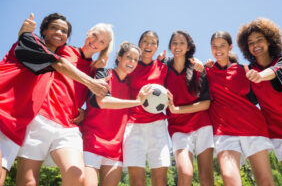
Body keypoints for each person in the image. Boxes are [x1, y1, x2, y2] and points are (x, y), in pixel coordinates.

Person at [0, 13, 108, 185]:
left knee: (77, 176)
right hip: (29, 117)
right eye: (94, 35)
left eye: (102, 41)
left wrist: (85, 112)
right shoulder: (50, 47)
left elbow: (98, 101)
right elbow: (57, 62)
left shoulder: (97, 70)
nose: (96, 41)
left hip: (53, 125)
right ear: (87, 33)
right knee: (27, 180)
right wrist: (23, 33)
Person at [237, 18, 282, 186]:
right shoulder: (248, 71)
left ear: (269, 41)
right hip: (278, 133)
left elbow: (275, 71)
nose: (255, 45)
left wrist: (259, 76)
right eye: (251, 42)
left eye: (259, 40)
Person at [206, 31, 274, 186]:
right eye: (214, 46)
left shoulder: (244, 69)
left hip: (253, 127)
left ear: (230, 47)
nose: (218, 49)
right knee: (229, 178)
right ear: (210, 49)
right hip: (224, 132)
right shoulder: (206, 71)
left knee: (265, 180)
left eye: (222, 45)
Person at [81, 42, 154, 186]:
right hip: (93, 141)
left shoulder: (131, 85)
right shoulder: (103, 73)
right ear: (119, 57)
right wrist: (138, 102)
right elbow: (103, 101)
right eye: (129, 57)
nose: (132, 62)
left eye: (135, 59)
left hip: (115, 148)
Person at [166, 30, 214, 186]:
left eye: (182, 43)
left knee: (206, 175)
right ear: (170, 46)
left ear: (188, 47)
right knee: (185, 173)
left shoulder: (198, 69)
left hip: (202, 125)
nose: (177, 46)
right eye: (174, 42)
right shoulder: (163, 68)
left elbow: (206, 104)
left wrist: (177, 109)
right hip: (178, 128)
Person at [122, 31, 171, 186]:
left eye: (153, 42)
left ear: (157, 47)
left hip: (157, 126)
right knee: (136, 180)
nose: (149, 45)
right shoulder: (130, 67)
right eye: (145, 41)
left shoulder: (163, 67)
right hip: (133, 126)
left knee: (160, 179)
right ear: (139, 44)